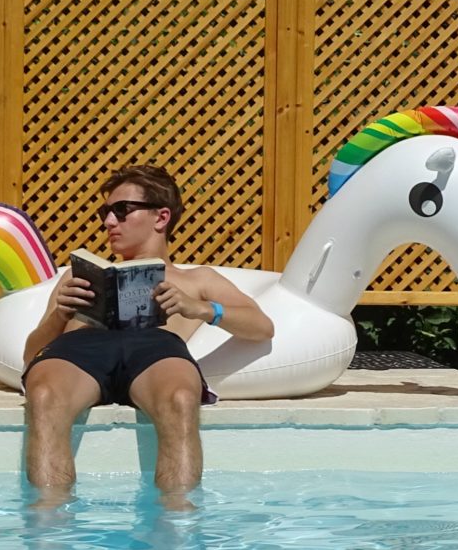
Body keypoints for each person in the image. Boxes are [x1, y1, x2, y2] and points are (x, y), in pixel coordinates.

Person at [22, 165, 274, 503]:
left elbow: (261, 326)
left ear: (161, 217)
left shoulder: (197, 280)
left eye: (122, 211)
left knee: (181, 400)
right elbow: (30, 356)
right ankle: (48, 532)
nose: (109, 222)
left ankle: (176, 534)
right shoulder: (76, 280)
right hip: (80, 350)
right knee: (44, 397)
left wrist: (201, 309)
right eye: (106, 212)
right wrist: (60, 315)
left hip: (155, 352)